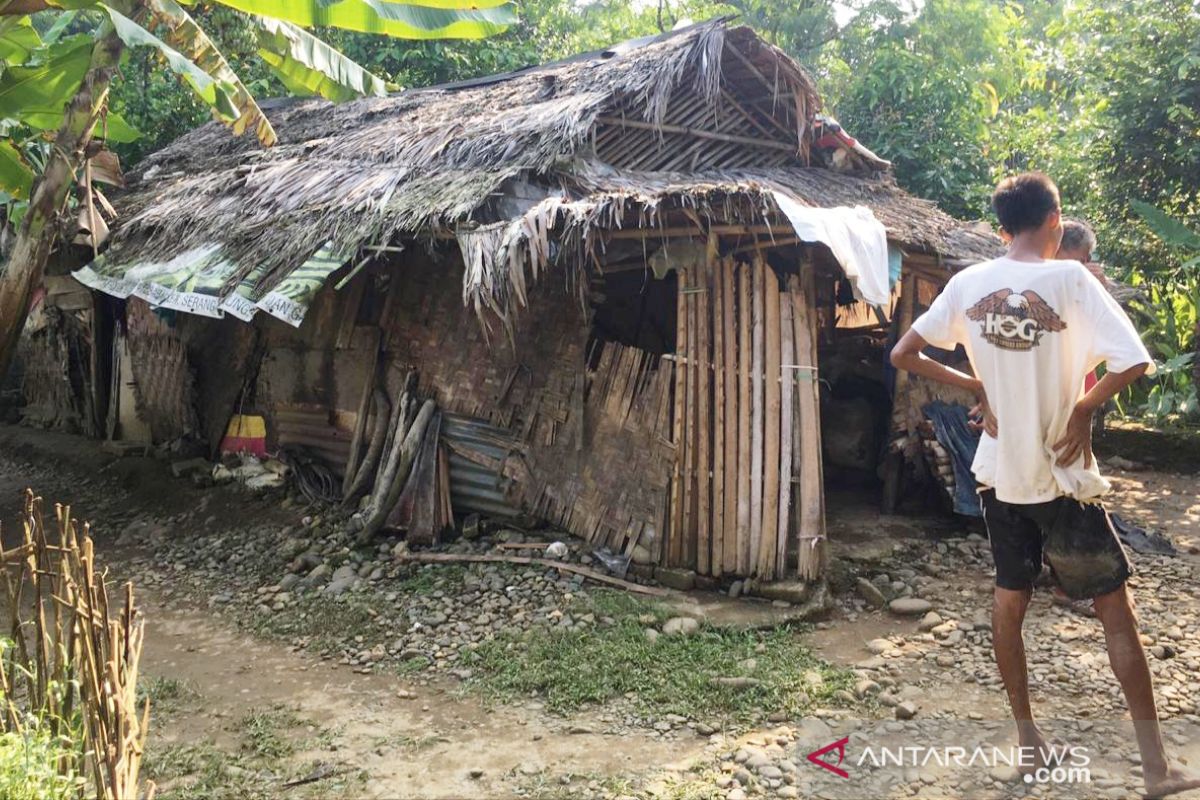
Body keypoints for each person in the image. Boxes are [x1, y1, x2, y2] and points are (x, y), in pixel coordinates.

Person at [890, 172, 1200, 797]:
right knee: (1115, 611)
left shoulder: (968, 283)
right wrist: (1083, 411)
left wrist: (978, 386)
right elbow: (1134, 360)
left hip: (998, 475)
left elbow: (904, 352)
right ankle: (1156, 767)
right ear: (1055, 221)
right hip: (1059, 475)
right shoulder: (1071, 279)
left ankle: (1030, 746)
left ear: (1003, 227)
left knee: (1010, 599)